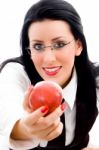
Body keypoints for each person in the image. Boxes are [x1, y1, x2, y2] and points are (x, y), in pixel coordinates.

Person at [0, 0, 99, 149]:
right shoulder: (15, 73)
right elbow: (7, 111)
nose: (49, 59)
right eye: (38, 46)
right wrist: (26, 129)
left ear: (78, 46)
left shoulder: (93, 79)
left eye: (59, 44)